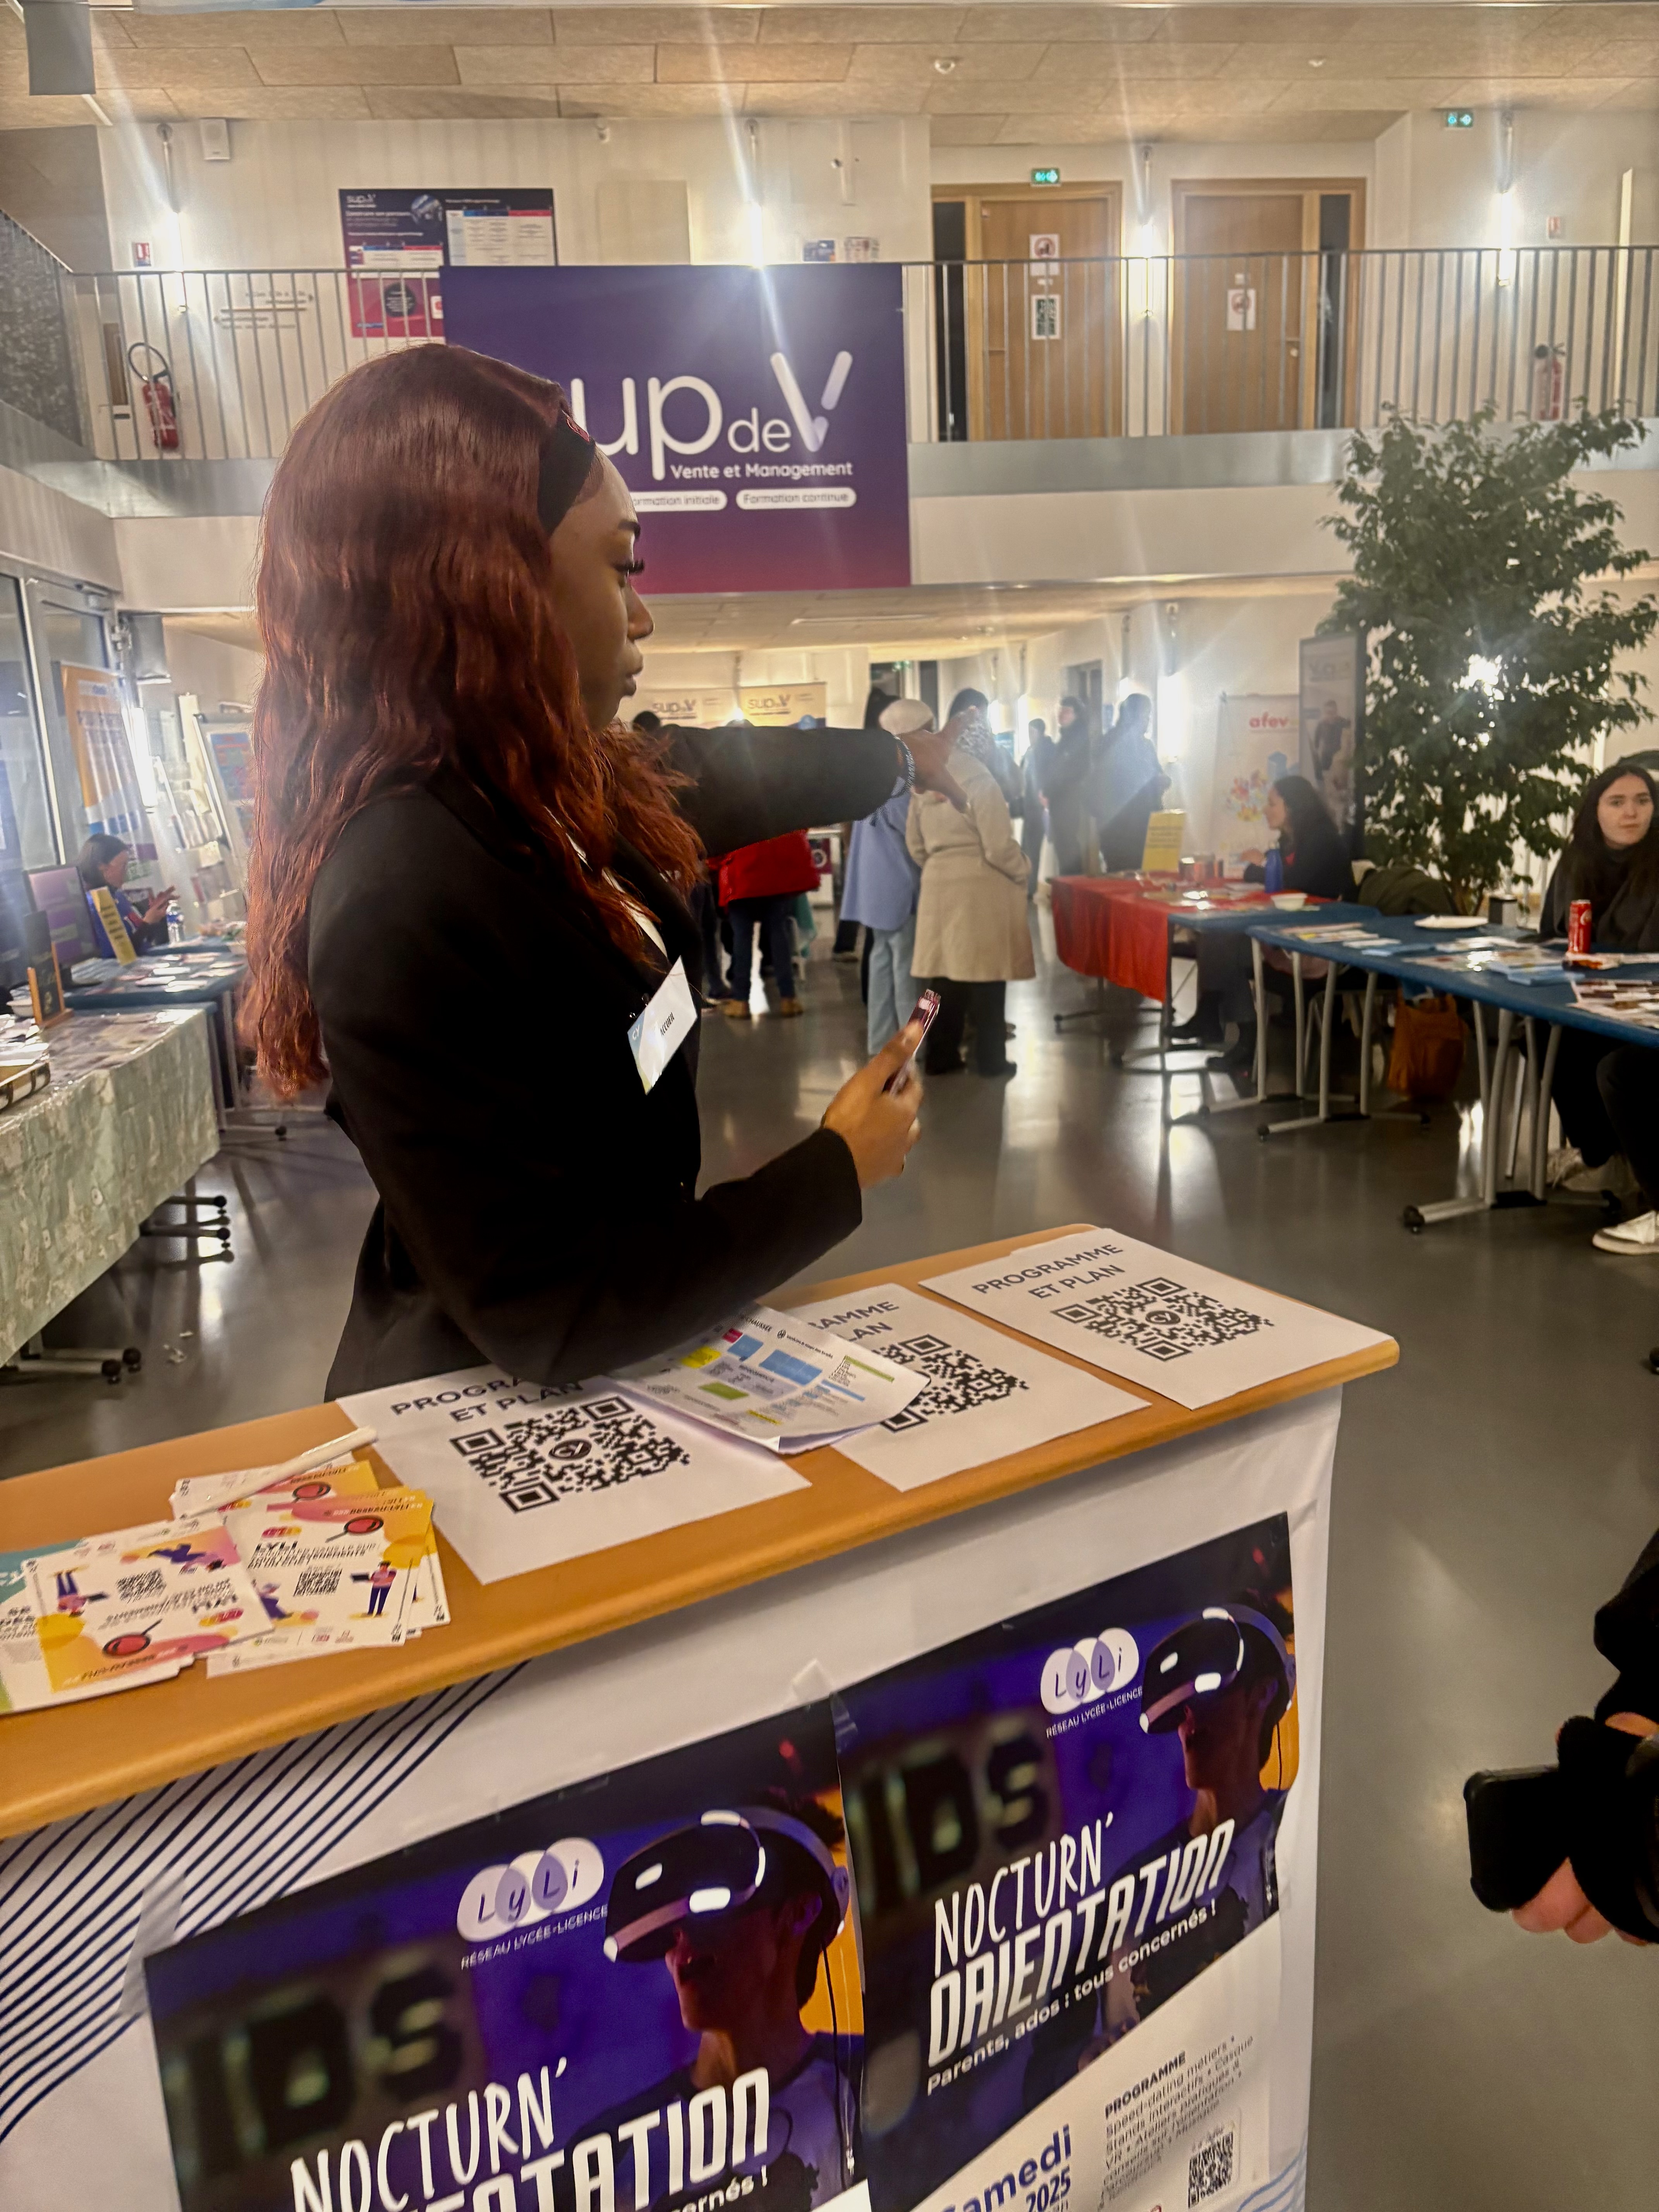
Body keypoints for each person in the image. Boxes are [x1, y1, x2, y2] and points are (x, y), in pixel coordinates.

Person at [243, 344, 971, 1396]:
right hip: (475, 1411)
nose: (641, 614)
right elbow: (553, 1307)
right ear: (490, 587)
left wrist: (901, 759)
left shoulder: (544, 793)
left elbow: (724, 773)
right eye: (623, 568)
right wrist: (837, 1169)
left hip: (618, 1354)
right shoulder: (401, 894)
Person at [594, 1792, 858, 2212]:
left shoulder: (862, 2078)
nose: (681, 1934)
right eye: (672, 1916)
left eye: (712, 1902)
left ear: (800, 1913)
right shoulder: (612, 2153)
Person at [1539, 761, 1659, 1254]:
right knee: (1547, 1032)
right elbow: (1553, 935)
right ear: (1596, 811)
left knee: (1619, 1067)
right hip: (1593, 993)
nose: (1632, 813)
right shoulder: (1577, 861)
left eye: (1643, 801)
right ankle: (1602, 1155)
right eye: (1618, 802)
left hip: (1646, 1004)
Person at [1176, 774, 1354, 1066]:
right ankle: (1221, 1022)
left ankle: (1238, 1033)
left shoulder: (1322, 841)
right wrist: (1265, 865)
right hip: (1287, 933)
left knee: (1226, 945)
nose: (1265, 810)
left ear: (1292, 807)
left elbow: (1290, 880)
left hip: (1317, 945)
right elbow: (1262, 873)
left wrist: (1264, 864)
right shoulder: (1291, 842)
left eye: (1272, 803)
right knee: (1217, 936)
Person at [907, 733, 1034, 1079]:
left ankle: (938, 1055)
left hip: (938, 885)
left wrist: (939, 866)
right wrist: (1023, 868)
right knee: (988, 977)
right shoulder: (981, 779)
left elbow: (915, 844)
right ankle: (992, 1061)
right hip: (981, 886)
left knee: (940, 980)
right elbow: (997, 847)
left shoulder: (926, 778)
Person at [842, 699, 927, 1055]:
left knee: (881, 964)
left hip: (872, 889)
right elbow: (917, 838)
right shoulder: (903, 785)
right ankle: (912, 1047)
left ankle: (879, 1042)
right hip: (899, 888)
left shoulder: (872, 779)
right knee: (905, 970)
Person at [718, 828, 820, 1019]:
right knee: (779, 935)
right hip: (775, 875)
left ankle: (741, 1001)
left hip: (741, 875)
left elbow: (718, 845)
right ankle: (789, 999)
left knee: (742, 939)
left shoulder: (732, 811)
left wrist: (714, 865)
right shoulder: (778, 810)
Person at [1089, 691, 1165, 873]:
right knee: (1122, 876)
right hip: (1120, 828)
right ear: (1133, 716)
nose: (1148, 721)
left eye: (1149, 716)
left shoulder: (1146, 746)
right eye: (1145, 716)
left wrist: (1161, 781)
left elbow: (1156, 773)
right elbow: (1114, 784)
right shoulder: (1110, 743)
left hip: (1145, 825)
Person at [76, 833, 174, 953]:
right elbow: (120, 954)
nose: (126, 872)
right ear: (102, 867)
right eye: (123, 866)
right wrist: (147, 924)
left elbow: (143, 940)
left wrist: (155, 912)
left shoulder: (118, 897)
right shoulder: (96, 906)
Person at [946, 686, 1022, 814]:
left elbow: (1015, 786)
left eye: (983, 718)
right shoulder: (944, 755)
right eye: (977, 718)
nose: (980, 726)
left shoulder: (996, 753)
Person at [1042, 695, 1095, 878]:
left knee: (1067, 843)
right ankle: (1068, 881)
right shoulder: (1066, 737)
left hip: (1068, 797)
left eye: (1067, 711)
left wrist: (1051, 789)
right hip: (1060, 797)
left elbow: (1067, 770)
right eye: (1061, 710)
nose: (1062, 714)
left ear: (1076, 715)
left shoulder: (1077, 738)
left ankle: (1073, 882)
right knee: (1063, 843)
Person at [1019, 715, 1053, 898]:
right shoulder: (1030, 752)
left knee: (1036, 849)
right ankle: (1028, 884)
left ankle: (1032, 886)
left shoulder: (1044, 751)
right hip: (1030, 807)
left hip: (1039, 807)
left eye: (1033, 733)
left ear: (1040, 733)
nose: (1030, 736)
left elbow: (1040, 778)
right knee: (1029, 847)